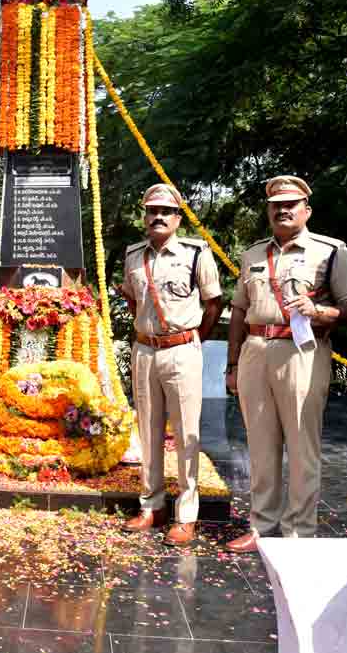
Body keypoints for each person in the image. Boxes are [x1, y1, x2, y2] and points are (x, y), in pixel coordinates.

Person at [224, 176, 347, 553]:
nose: (283, 210)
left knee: (303, 444)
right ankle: (261, 524)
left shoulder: (331, 251)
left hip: (302, 351)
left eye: (292, 204)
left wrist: (320, 311)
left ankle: (299, 531)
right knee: (260, 443)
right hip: (256, 348)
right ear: (268, 210)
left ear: (307, 210)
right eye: (276, 204)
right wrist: (233, 362)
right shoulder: (253, 253)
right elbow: (238, 309)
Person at [119, 184, 222, 546]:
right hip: (145, 350)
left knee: (185, 434)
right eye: (152, 211)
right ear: (144, 217)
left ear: (178, 218)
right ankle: (152, 505)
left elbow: (214, 303)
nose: (158, 217)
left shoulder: (196, 253)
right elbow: (133, 301)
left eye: (166, 211)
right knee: (147, 431)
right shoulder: (133, 255)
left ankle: (186, 515)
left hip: (182, 350)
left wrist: (194, 338)